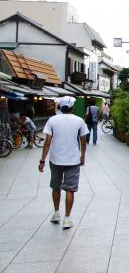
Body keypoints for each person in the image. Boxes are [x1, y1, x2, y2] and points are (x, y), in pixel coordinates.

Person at [38, 96, 88, 229]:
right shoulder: (79, 120)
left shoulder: (52, 120)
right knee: (70, 189)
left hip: (55, 159)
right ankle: (67, 218)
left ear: (60, 107)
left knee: (56, 187)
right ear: (72, 107)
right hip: (73, 160)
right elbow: (83, 141)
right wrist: (82, 156)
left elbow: (47, 141)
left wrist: (42, 160)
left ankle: (56, 213)